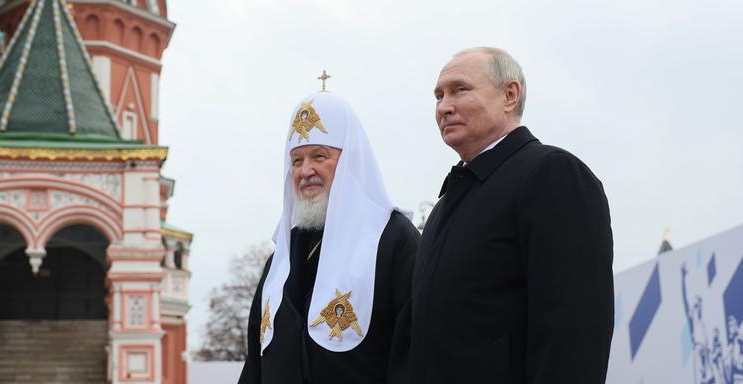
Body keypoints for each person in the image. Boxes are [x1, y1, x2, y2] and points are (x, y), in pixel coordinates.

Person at [404, 47, 614, 383]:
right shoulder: (445, 206)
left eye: (460, 89)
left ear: (509, 95)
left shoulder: (552, 174)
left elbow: (574, 332)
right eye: (439, 95)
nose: (444, 107)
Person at [238, 89, 420, 383]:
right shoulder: (281, 258)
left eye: (319, 156)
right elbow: (255, 366)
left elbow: (411, 358)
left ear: (350, 162)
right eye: (296, 161)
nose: (305, 170)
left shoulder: (393, 240)